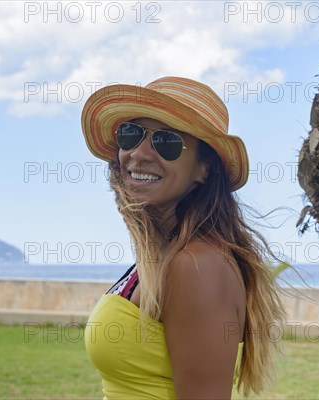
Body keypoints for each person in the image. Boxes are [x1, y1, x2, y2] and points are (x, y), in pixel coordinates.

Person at [81, 77, 285, 399]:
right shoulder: (165, 254)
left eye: (167, 141)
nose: (139, 153)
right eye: (131, 135)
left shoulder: (196, 265)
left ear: (203, 168)